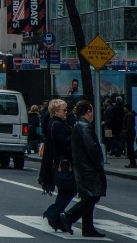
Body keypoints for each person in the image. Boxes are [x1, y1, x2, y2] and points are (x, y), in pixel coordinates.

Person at [59, 100, 107, 238]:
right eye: (92, 111)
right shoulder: (84, 127)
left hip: (82, 167)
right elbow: (92, 148)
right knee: (93, 196)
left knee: (88, 196)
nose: (93, 114)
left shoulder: (78, 125)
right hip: (88, 168)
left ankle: (88, 228)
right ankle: (68, 217)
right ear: (88, 111)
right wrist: (99, 164)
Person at [40, 99, 75, 232]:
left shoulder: (54, 123)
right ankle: (52, 214)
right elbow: (65, 144)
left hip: (60, 162)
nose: (66, 112)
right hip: (64, 163)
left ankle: (56, 219)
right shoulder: (58, 125)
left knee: (64, 192)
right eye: (64, 110)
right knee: (71, 189)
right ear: (56, 111)